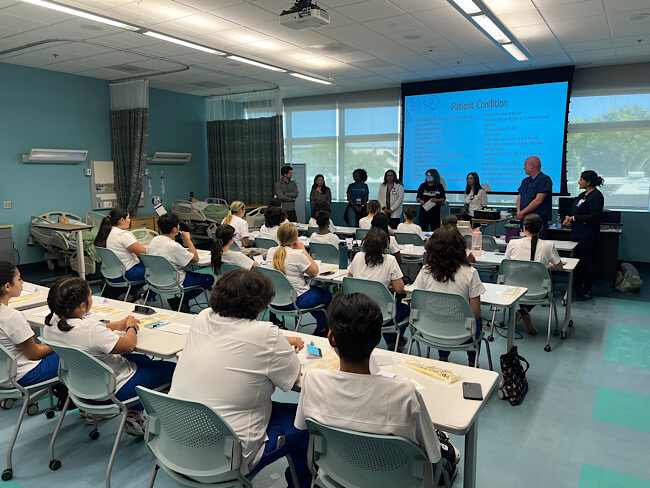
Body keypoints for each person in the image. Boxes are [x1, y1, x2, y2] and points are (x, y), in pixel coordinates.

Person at [294, 293, 459, 483]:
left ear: (331, 339)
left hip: (338, 474)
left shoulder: (312, 381)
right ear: (378, 338)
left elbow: (301, 426)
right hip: (398, 481)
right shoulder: (404, 394)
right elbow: (433, 454)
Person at [168, 269, 311, 487]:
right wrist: (279, 345)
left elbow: (235, 337)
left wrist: (277, 341)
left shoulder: (202, 318)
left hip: (173, 445)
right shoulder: (267, 334)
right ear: (261, 304)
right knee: (305, 420)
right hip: (227, 458)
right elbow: (292, 379)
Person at [43, 277, 175, 436]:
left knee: (144, 360)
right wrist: (131, 326)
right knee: (173, 369)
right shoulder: (91, 329)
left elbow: (86, 335)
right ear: (83, 305)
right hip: (114, 391)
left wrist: (113, 325)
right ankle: (145, 416)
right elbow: (129, 346)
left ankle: (135, 413)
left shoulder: (51, 323)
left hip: (79, 388)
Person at [413, 226, 485, 366]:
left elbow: (418, 304)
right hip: (463, 336)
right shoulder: (470, 273)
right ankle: (472, 362)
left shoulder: (425, 271)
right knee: (475, 322)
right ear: (461, 248)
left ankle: (443, 358)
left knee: (440, 312)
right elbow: (475, 313)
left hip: (428, 330)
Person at [0, 262, 59, 388]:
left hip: (3, 374)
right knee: (76, 355)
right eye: (19, 279)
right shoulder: (11, 317)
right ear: (7, 287)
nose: (22, 283)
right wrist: (60, 345)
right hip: (23, 375)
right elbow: (34, 354)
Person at [348, 228, 408, 351]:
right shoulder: (390, 260)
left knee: (386, 310)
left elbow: (350, 280)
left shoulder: (358, 256)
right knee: (404, 310)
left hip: (358, 309)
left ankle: (392, 340)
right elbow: (399, 289)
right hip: (381, 314)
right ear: (385, 245)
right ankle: (394, 342)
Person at [266, 223, 332, 336]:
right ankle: (323, 328)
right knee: (325, 295)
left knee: (314, 294)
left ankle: (321, 327)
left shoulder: (271, 252)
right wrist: (304, 250)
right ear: (295, 238)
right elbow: (315, 271)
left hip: (274, 301)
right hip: (296, 302)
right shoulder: (297, 254)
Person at [505, 213, 563, 335]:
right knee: (534, 286)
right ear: (541, 228)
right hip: (538, 292)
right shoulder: (548, 245)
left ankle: (522, 312)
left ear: (524, 228)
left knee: (524, 283)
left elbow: (506, 264)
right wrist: (548, 266)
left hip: (513, 289)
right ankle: (523, 312)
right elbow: (560, 267)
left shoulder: (513, 243)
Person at [146, 213, 214, 312]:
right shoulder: (173, 246)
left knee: (189, 273)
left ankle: (180, 302)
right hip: (175, 282)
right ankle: (181, 301)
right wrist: (188, 240)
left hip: (155, 281)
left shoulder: (153, 241)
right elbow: (195, 259)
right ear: (175, 229)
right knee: (208, 278)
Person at [563, 170, 605, 301]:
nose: (578, 182)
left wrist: (574, 218)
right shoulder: (582, 195)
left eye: (581, 180)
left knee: (587, 262)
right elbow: (575, 210)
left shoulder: (596, 196)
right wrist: (568, 219)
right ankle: (575, 287)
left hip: (588, 235)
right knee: (577, 262)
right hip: (577, 233)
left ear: (588, 182)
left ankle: (586, 289)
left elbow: (594, 215)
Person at [94, 208, 147, 296]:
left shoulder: (106, 232)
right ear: (122, 220)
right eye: (128, 218)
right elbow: (141, 252)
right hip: (126, 275)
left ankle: (129, 294)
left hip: (110, 275)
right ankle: (144, 298)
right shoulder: (124, 235)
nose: (130, 220)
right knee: (157, 270)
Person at [516, 156, 552, 238]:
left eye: (525, 165)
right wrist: (519, 211)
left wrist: (522, 212)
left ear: (532, 166)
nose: (524, 168)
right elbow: (520, 197)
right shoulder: (525, 181)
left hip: (536, 220)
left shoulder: (544, 179)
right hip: (524, 219)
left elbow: (538, 200)